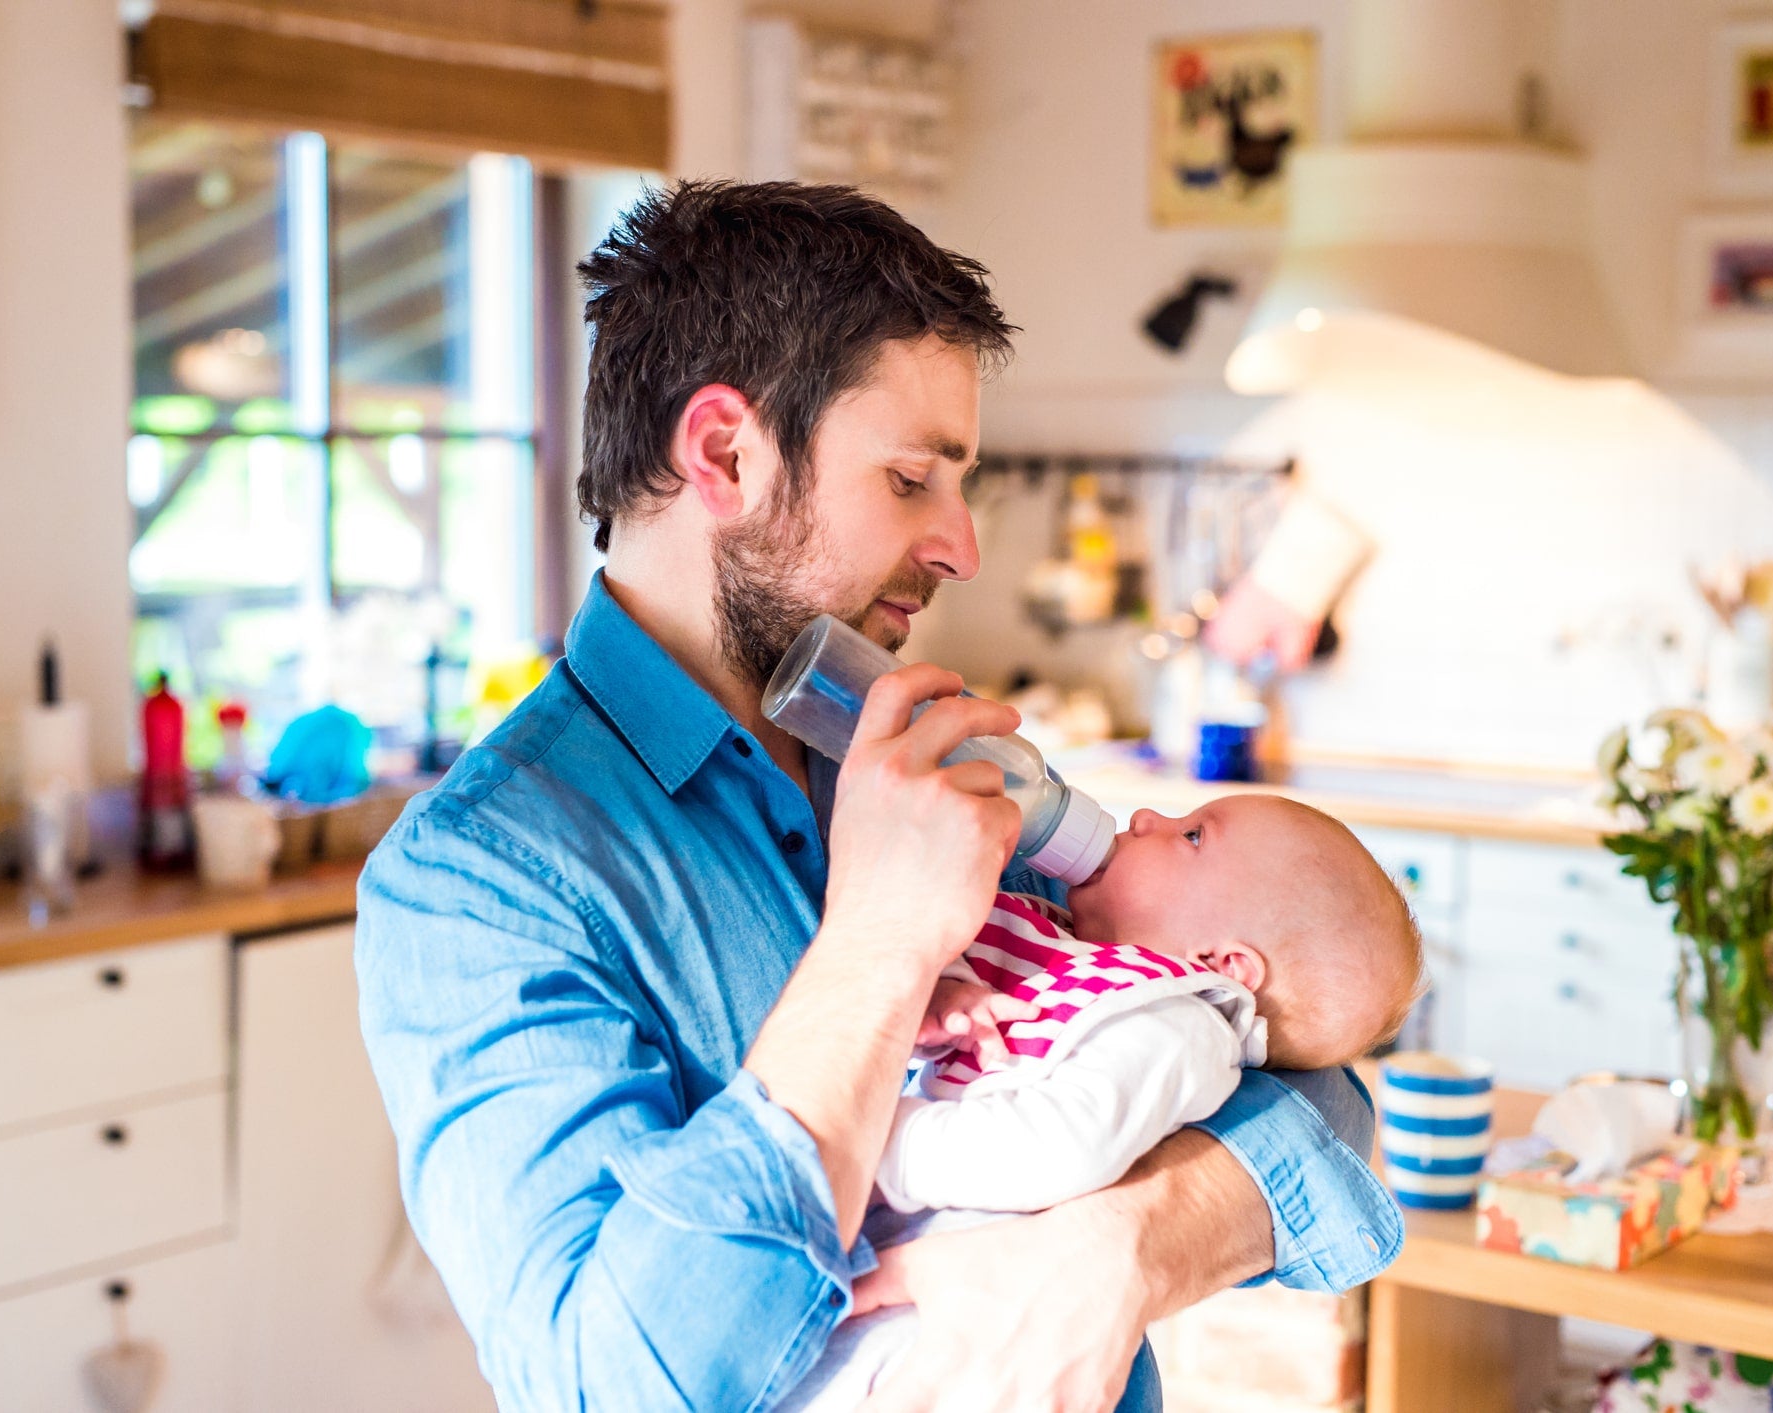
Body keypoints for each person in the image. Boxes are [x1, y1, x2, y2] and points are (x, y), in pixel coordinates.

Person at [355, 180, 1403, 1413]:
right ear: (723, 453)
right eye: (912, 479)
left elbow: (1299, 1056)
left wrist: (1125, 1249)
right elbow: (609, 1383)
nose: (961, 545)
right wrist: (878, 947)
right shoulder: (481, 879)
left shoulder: (937, 757)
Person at [783, 794, 1424, 1410]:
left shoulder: (1172, 1029)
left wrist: (873, 1135)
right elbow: (977, 964)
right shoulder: (1074, 951)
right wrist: (949, 987)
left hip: (968, 1309)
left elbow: (1052, 1149)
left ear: (1223, 963)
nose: (1147, 817)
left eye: (1192, 836)